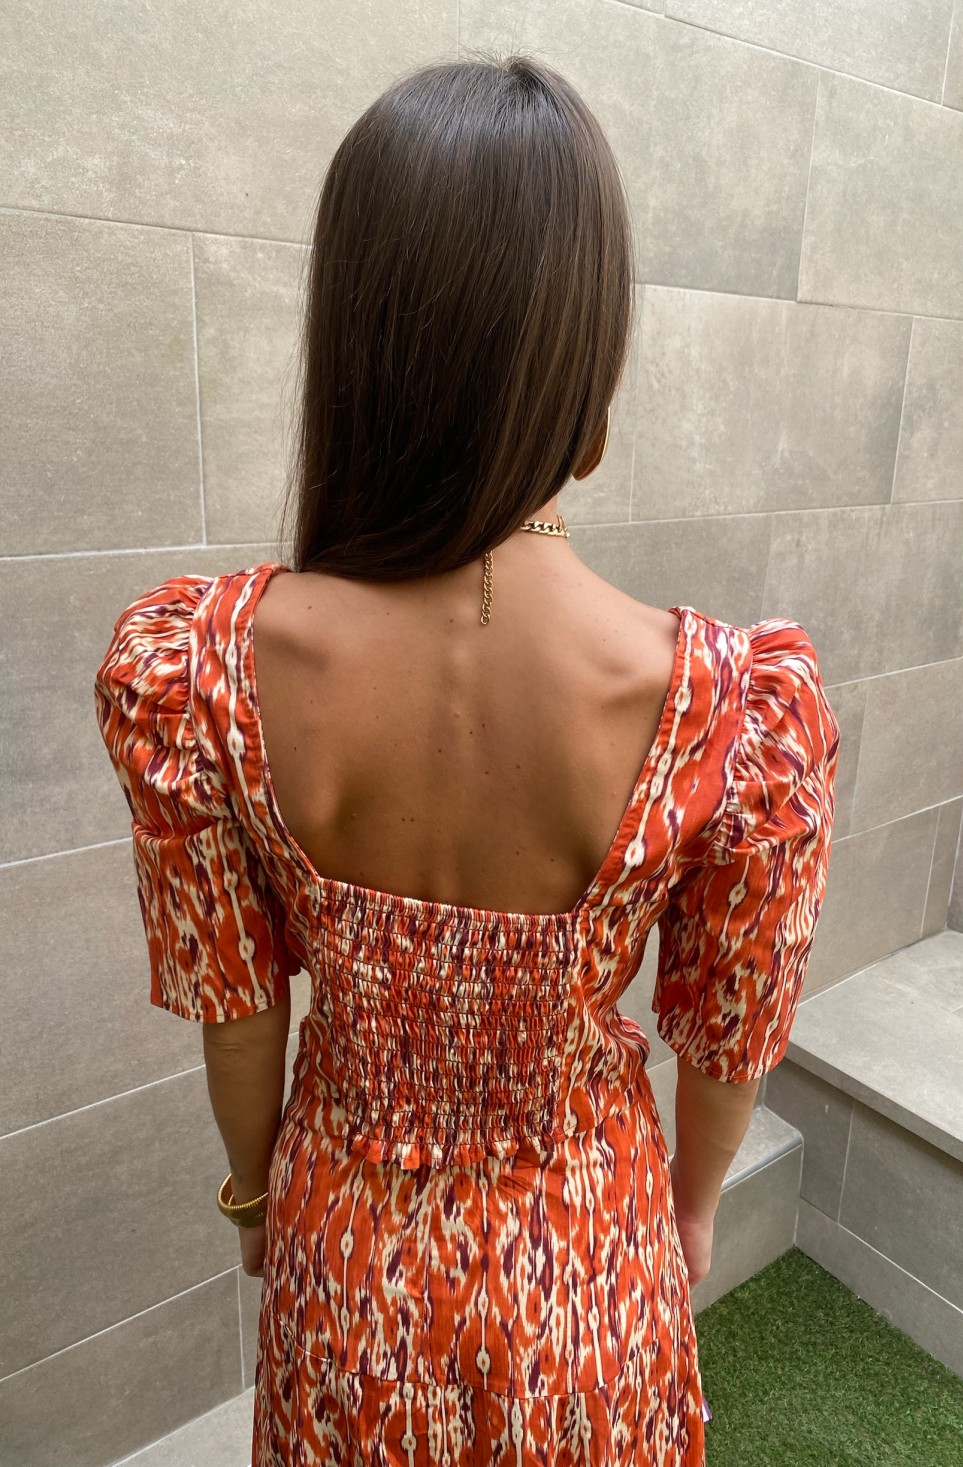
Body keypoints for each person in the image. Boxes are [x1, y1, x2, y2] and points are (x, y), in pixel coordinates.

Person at [93, 52, 840, 1466]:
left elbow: (238, 1013)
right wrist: (687, 1212)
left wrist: (254, 1200)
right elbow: (731, 1034)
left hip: (345, 1265)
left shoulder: (204, 668)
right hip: (592, 1270)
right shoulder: (734, 710)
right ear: (587, 377)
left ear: (355, 346)